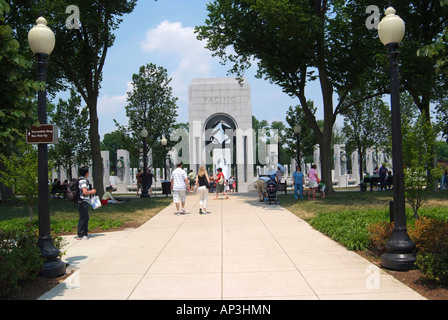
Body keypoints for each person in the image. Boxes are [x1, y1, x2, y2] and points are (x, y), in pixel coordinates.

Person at [76, 166, 96, 240]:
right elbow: (85, 192)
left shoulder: (81, 180)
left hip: (82, 201)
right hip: (82, 201)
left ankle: (84, 233)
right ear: (87, 173)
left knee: (85, 217)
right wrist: (92, 191)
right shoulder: (83, 181)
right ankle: (80, 234)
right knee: (83, 218)